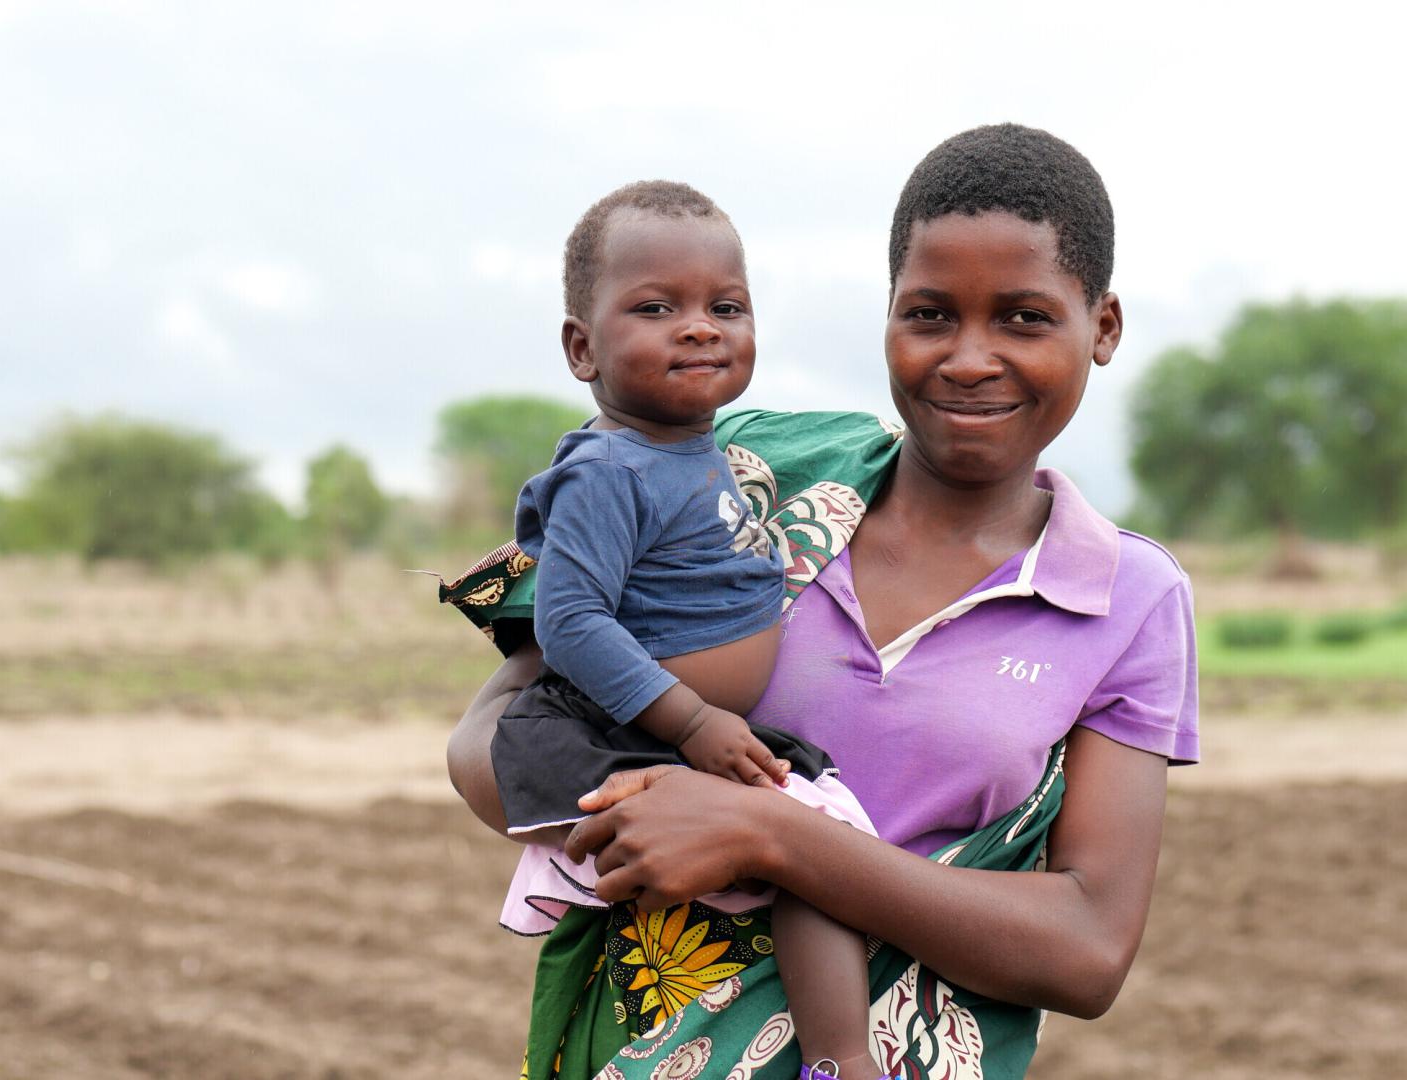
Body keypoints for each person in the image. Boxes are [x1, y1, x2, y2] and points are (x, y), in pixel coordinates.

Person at [446, 124, 1198, 1080]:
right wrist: (598, 802)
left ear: (1103, 327)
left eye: (1024, 318)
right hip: (637, 1043)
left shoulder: (1130, 598)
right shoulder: (742, 470)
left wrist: (772, 835)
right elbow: (509, 723)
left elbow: (1088, 953)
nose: (969, 358)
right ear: (886, 315)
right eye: (929, 314)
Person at [488, 179, 891, 1080]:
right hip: (623, 726)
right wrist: (694, 721)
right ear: (582, 348)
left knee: (821, 839)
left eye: (727, 306)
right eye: (656, 307)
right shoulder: (607, 470)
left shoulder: (701, 446)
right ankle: (842, 1062)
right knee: (811, 849)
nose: (701, 325)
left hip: (675, 726)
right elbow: (570, 621)